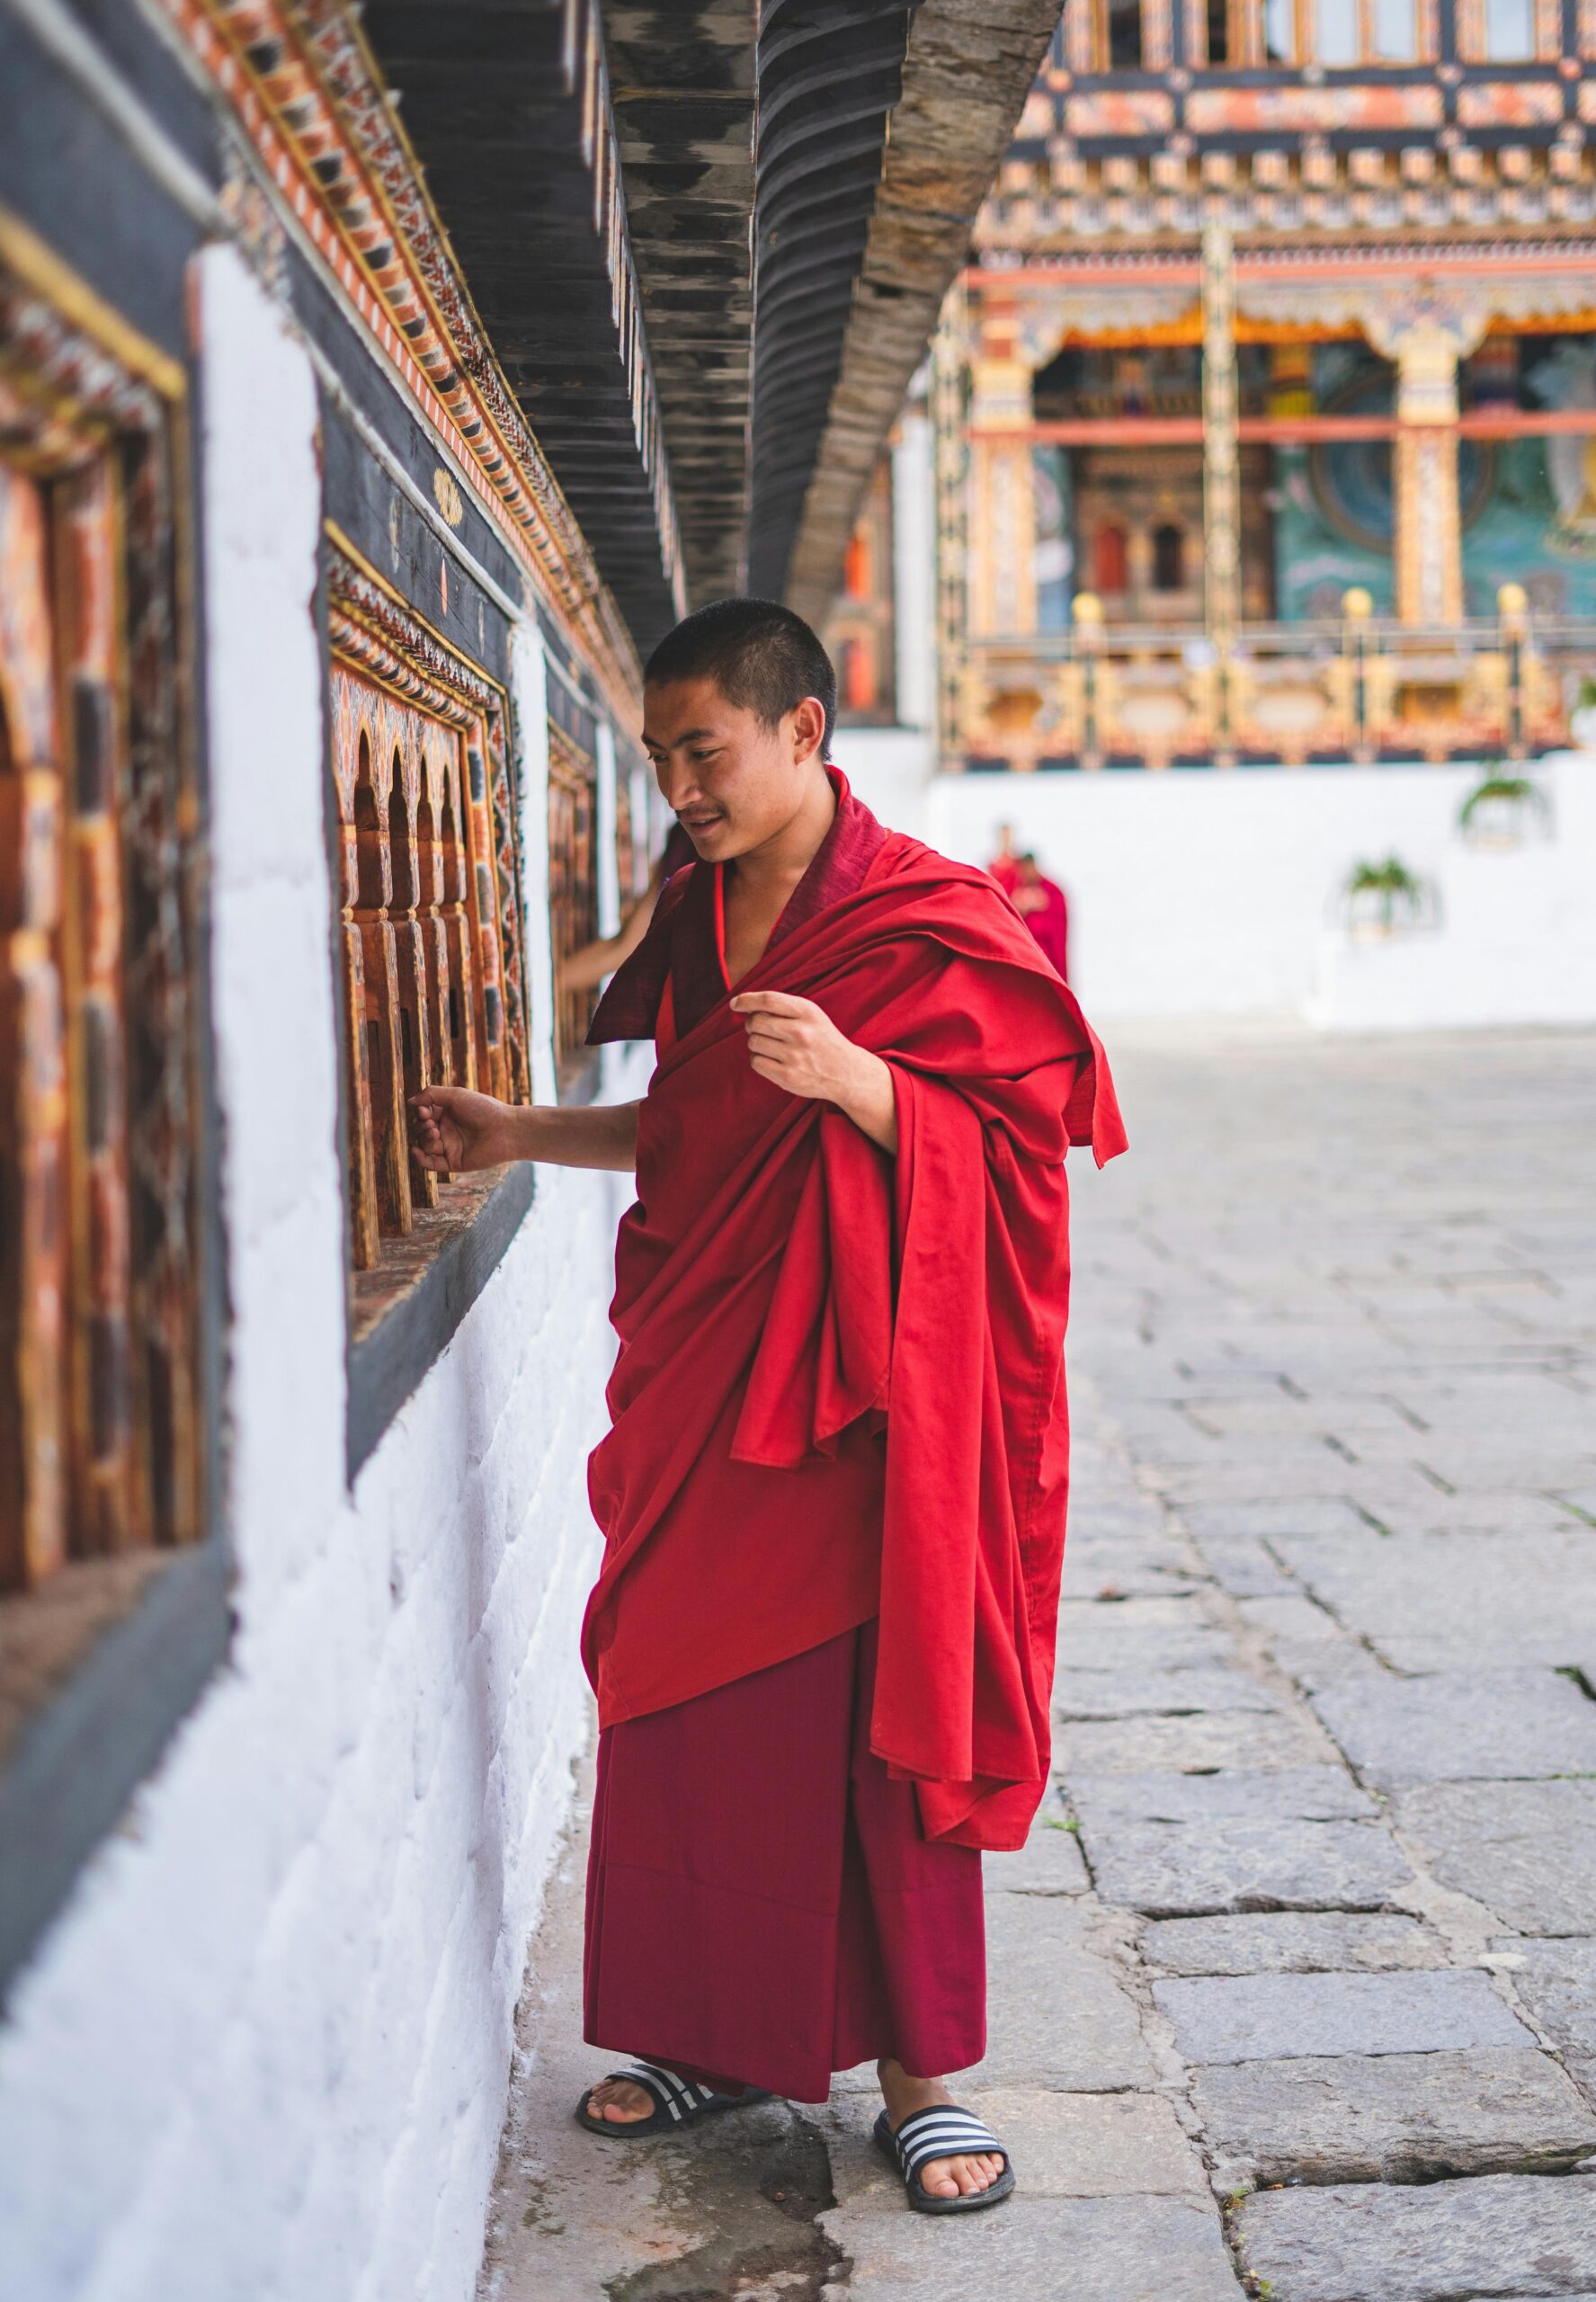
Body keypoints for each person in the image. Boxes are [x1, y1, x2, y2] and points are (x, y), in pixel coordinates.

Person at [408, 599, 1124, 2217]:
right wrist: (523, 1131)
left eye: (704, 751)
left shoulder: (931, 920)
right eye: (661, 758)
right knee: (685, 1697)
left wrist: (873, 1090)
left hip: (867, 1399)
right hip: (707, 1367)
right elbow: (689, 1128)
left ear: (804, 731)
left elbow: (1025, 1157)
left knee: (884, 1707)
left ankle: (925, 2079)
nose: (680, 786)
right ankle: (710, 2033)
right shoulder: (699, 910)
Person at [558, 821, 698, 997]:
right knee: (629, 945)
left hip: (700, 840)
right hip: (702, 847)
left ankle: (541, 988)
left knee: (627, 945)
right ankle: (542, 988)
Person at [1011, 851, 1071, 982]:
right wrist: (1020, 907)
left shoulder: (1052, 891)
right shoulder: (1016, 889)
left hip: (1048, 959)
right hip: (1025, 958)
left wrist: (1043, 906)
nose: (1024, 874)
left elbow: (1059, 924)